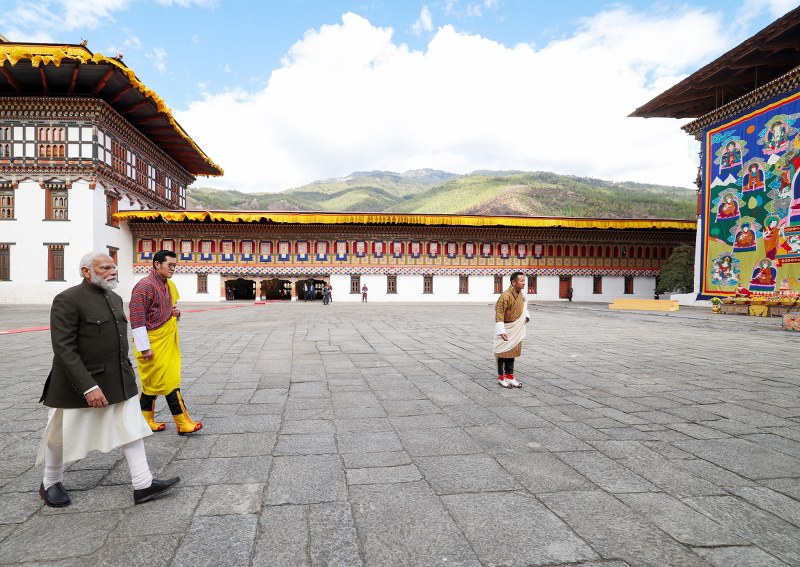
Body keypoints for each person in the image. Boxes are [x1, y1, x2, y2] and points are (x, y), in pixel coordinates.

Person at [37, 251, 179, 507]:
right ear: (86, 271)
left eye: (114, 267)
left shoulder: (114, 298)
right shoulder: (68, 300)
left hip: (117, 379)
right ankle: (50, 481)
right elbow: (64, 349)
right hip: (79, 383)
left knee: (131, 428)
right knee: (60, 434)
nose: (113, 271)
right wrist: (88, 387)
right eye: (105, 267)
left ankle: (143, 482)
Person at [130, 250, 202, 435]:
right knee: (169, 381)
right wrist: (144, 348)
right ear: (156, 264)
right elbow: (137, 319)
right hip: (152, 343)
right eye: (170, 265)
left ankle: (145, 421)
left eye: (174, 265)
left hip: (165, 339)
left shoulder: (168, 285)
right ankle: (182, 422)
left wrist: (176, 313)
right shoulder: (143, 287)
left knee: (152, 383)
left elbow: (170, 309)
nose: (173, 269)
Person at [493, 272, 530, 389]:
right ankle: (501, 378)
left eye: (524, 281)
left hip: (516, 329)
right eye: (521, 281)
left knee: (512, 353)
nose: (524, 283)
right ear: (513, 282)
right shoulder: (505, 296)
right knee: (502, 353)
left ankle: (510, 376)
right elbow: (499, 313)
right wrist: (501, 331)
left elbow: (524, 307)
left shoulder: (522, 295)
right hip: (507, 328)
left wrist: (526, 316)